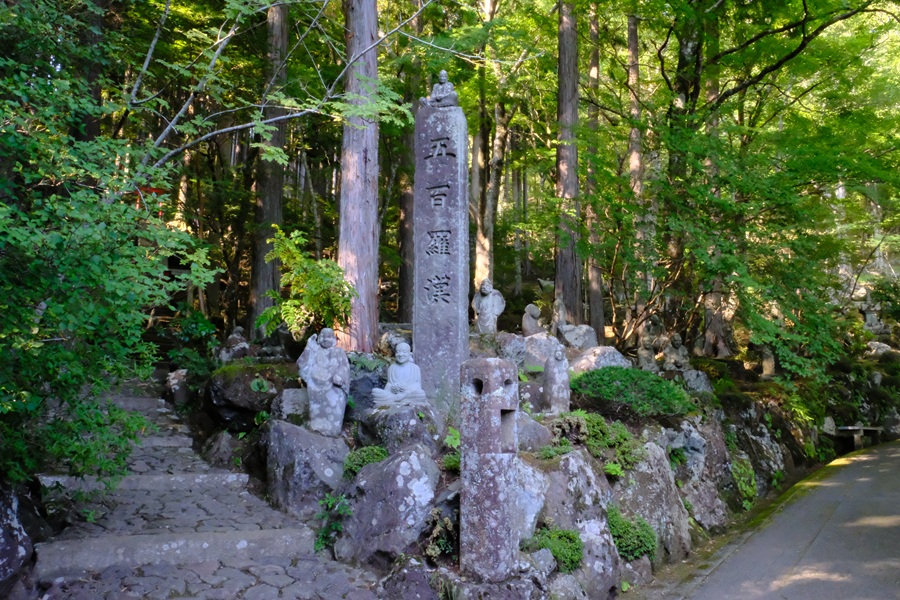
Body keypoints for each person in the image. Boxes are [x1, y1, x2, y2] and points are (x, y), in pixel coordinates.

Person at [297, 328, 350, 436]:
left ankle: (333, 430)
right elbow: (301, 364)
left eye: (329, 336)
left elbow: (344, 367)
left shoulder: (338, 352)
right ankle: (316, 428)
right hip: (315, 387)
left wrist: (339, 376)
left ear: (334, 339)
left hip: (333, 387)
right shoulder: (314, 350)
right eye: (323, 336)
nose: (325, 339)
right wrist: (309, 347)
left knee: (334, 404)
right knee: (316, 409)